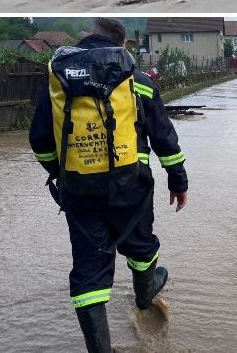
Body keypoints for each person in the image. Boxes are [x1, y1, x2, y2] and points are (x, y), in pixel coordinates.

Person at [29, 18, 189, 352]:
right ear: (123, 46)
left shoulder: (57, 80)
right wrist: (178, 180)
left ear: (86, 39)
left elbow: (41, 141)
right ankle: (145, 295)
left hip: (79, 190)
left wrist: (62, 173)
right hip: (131, 186)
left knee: (89, 273)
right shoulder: (138, 81)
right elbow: (163, 138)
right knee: (142, 246)